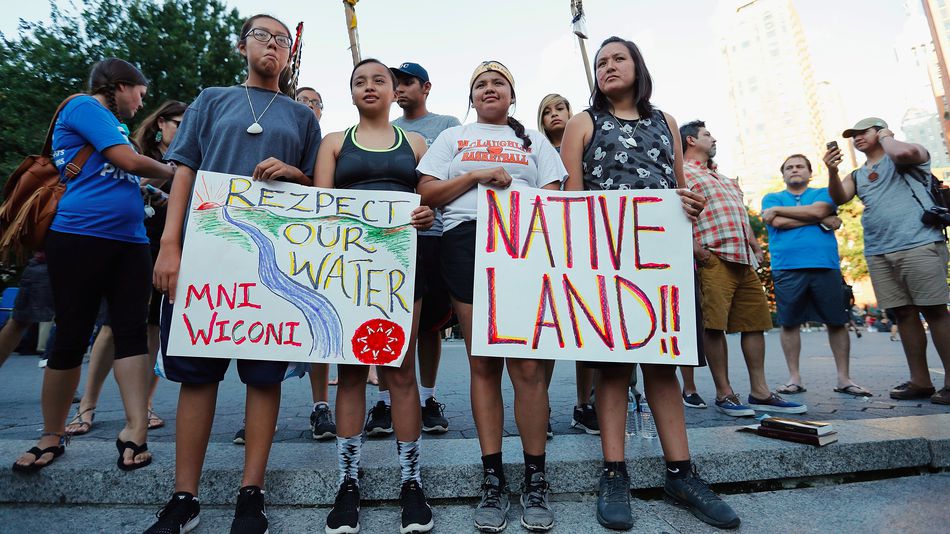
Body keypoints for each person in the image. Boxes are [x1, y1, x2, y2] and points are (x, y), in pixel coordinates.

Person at [145, 14, 320, 534]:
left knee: (263, 379)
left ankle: (252, 493)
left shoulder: (301, 117)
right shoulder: (212, 99)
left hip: (271, 261)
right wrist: (170, 245)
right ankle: (184, 497)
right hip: (207, 254)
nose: (273, 45)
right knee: (198, 377)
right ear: (242, 45)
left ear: (290, 54)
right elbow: (185, 173)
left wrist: (295, 174)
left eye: (283, 40)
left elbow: (317, 192)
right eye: (263, 36)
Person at [560, 37, 739, 531]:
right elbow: (573, 192)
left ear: (638, 67)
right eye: (601, 62)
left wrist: (690, 207)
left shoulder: (666, 122)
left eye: (618, 59)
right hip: (608, 258)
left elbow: (680, 186)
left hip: (663, 259)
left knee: (664, 364)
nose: (608, 67)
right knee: (614, 368)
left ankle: (681, 473)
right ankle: (613, 472)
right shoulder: (583, 121)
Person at [418, 60, 563, 532]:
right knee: (483, 359)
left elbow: (556, 195)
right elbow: (429, 194)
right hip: (465, 241)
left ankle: (536, 477)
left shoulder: (533, 141)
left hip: (523, 241)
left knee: (524, 362)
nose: (489, 88)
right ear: (471, 97)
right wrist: (477, 176)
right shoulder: (452, 138)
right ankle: (493, 477)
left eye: (498, 82)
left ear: (512, 94)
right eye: (480, 84)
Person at [11, 58, 175, 474]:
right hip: (80, 237)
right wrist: (171, 170)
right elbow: (130, 162)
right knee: (71, 333)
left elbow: (122, 174)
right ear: (120, 85)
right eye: (140, 93)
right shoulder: (84, 107)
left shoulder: (113, 125)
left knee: (131, 333)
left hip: (132, 242)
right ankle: (51, 435)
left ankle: (134, 431)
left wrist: (151, 189)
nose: (141, 103)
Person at [316, 58, 435, 534]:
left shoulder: (419, 143)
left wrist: (426, 214)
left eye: (378, 80)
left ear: (394, 92)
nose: (370, 86)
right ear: (351, 93)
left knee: (401, 372)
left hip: (403, 270)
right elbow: (319, 206)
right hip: (348, 269)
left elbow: (429, 197)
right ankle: (348, 480)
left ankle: (411, 481)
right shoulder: (334, 142)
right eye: (359, 81)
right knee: (349, 373)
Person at [64, 100, 188, 436]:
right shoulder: (134, 151)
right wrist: (169, 172)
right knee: (110, 328)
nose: (185, 129)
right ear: (161, 123)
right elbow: (131, 183)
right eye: (180, 122)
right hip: (135, 245)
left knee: (153, 330)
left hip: (171, 250)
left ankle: (143, 405)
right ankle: (86, 406)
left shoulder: (191, 158)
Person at [681, 119, 807, 418]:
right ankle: (725, 394)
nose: (713, 138)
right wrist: (699, 253)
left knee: (755, 325)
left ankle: (760, 391)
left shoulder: (723, 178)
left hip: (743, 260)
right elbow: (677, 217)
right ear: (690, 141)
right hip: (713, 257)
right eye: (707, 134)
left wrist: (755, 246)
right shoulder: (682, 173)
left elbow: (737, 214)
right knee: (714, 326)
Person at [365, 61, 461, 437]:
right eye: (396, 83)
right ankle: (386, 402)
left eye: (407, 82)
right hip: (388, 240)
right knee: (389, 321)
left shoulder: (447, 125)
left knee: (430, 325)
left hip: (434, 234)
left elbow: (449, 179)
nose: (400, 88)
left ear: (426, 87)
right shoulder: (381, 130)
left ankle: (428, 397)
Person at [826, 117, 950, 405]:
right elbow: (839, 197)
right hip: (879, 250)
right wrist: (832, 171)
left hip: (919, 243)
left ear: (881, 130)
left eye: (863, 132)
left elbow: (902, 153)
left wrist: (887, 137)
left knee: (934, 311)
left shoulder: (907, 153)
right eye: (852, 135)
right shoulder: (858, 174)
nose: (856, 138)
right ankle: (920, 380)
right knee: (903, 313)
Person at [761, 154, 871, 397]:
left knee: (837, 322)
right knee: (789, 323)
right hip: (787, 267)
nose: (794, 170)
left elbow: (817, 209)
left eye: (800, 166)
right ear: (783, 175)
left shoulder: (823, 193)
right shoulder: (771, 197)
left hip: (825, 265)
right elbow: (778, 223)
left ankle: (844, 379)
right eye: (789, 167)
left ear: (810, 172)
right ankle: (794, 378)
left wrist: (805, 213)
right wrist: (820, 219)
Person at [537, 92, 600, 434]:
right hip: (547, 244)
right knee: (546, 327)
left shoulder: (589, 146)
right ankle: (540, 405)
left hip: (585, 242)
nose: (555, 114)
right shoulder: (534, 148)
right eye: (547, 111)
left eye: (560, 108)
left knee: (586, 330)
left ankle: (583, 404)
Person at [292, 85, 337, 441]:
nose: (309, 106)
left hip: (314, 241)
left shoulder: (327, 145)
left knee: (316, 323)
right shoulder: (279, 132)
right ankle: (256, 412)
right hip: (279, 233)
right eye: (303, 100)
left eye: (315, 102)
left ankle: (320, 405)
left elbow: (325, 190)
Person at [0, 254, 54, 368]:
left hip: (47, 261)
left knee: (18, 322)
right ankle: (45, 353)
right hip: (49, 262)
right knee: (19, 322)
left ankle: (46, 353)